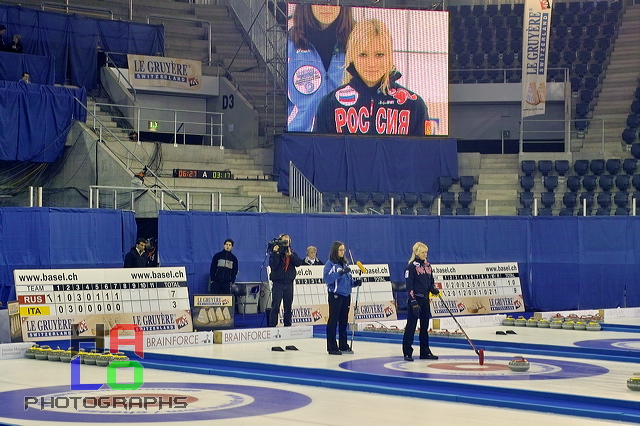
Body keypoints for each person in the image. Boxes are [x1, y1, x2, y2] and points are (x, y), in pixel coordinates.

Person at [314, 19, 429, 136]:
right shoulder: (330, 104)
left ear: (389, 56)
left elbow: (424, 152)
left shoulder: (414, 105)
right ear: (352, 56)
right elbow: (319, 152)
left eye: (379, 55)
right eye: (363, 54)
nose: (371, 63)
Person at [287, 4, 354, 132]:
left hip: (344, 140)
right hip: (300, 139)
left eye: (333, 1)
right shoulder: (289, 44)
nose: (327, 7)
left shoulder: (356, 44)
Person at [402, 242, 440, 361]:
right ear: (417, 252)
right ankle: (407, 352)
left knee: (424, 327)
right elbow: (409, 285)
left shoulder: (428, 266)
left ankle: (425, 351)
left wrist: (433, 289)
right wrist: (413, 301)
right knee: (411, 326)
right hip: (415, 300)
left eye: (426, 252)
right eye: (423, 252)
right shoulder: (411, 267)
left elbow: (430, 281)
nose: (425, 254)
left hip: (425, 299)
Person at [323, 241, 361, 355]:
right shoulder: (330, 264)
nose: (342, 252)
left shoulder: (345, 264)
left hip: (346, 295)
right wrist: (340, 273)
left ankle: (343, 345)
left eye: (344, 250)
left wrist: (355, 283)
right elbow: (327, 279)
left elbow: (348, 281)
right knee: (333, 320)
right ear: (335, 251)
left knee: (344, 320)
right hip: (335, 295)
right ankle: (332, 347)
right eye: (340, 250)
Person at [268, 234, 304, 327]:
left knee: (288, 306)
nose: (285, 244)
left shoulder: (291, 252)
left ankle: (288, 325)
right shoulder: (276, 253)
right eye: (283, 242)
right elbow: (273, 265)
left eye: (287, 242)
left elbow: (299, 263)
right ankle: (272, 325)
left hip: (289, 283)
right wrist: (275, 253)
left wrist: (291, 255)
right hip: (278, 283)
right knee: (275, 306)